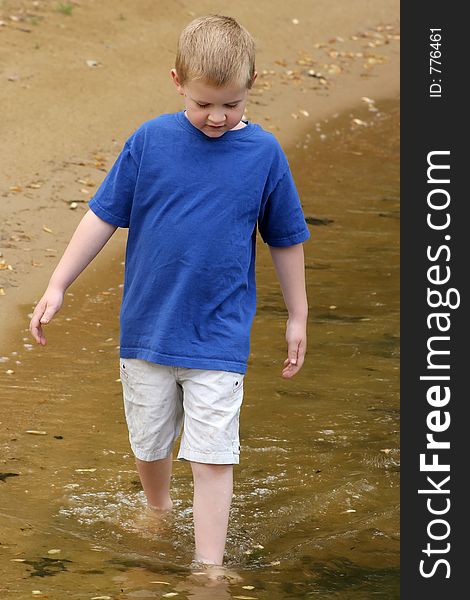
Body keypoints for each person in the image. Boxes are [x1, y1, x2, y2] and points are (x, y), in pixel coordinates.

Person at [29, 14, 310, 568]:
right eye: (205, 103)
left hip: (219, 335)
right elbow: (102, 217)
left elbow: (286, 239)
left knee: (212, 455)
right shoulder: (151, 140)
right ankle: (157, 509)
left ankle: (209, 566)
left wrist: (297, 315)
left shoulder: (264, 155)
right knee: (151, 439)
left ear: (252, 84)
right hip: (147, 328)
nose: (217, 116)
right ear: (178, 80)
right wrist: (58, 283)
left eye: (231, 104)